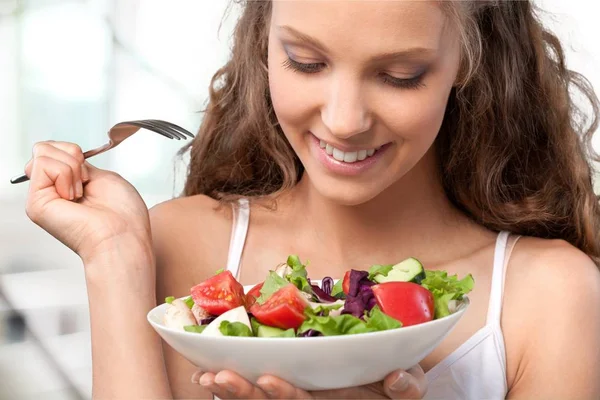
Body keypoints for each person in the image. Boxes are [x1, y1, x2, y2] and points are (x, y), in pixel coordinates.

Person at [20, 0, 600, 399]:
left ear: (467, 63)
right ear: (263, 44)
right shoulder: (176, 246)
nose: (344, 121)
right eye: (306, 62)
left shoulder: (548, 296)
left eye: (400, 75)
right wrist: (114, 257)